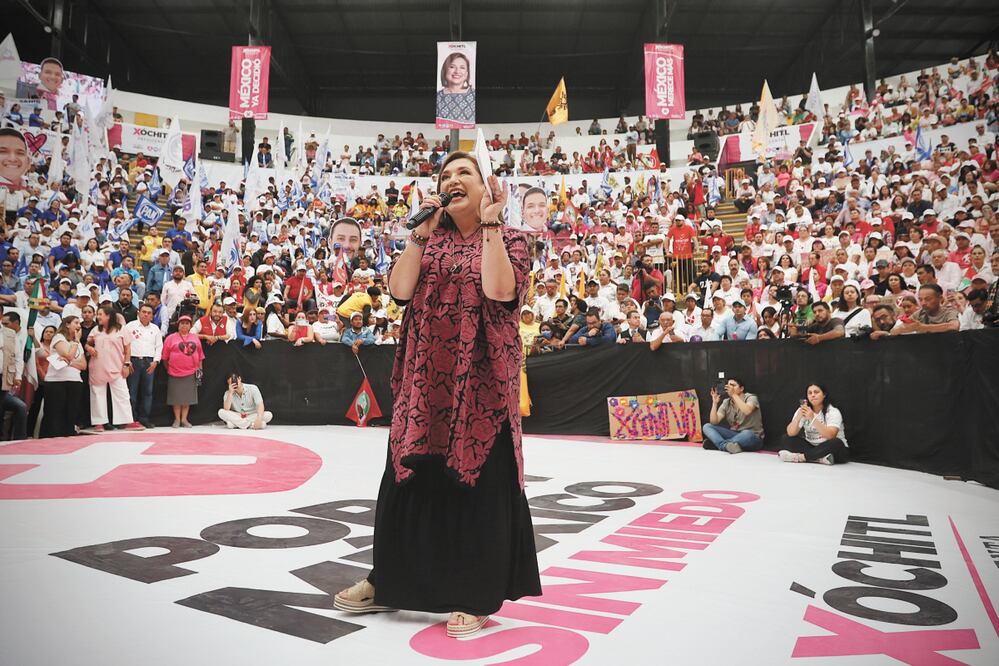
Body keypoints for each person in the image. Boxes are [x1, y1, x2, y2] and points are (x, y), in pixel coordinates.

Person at [334, 151, 541, 638]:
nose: (452, 180)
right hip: (424, 381)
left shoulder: (512, 238)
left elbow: (499, 291)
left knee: (477, 486)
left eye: (464, 173)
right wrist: (419, 233)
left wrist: (490, 225)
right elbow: (399, 290)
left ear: (485, 186)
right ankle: (387, 581)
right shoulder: (429, 237)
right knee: (406, 479)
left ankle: (476, 593)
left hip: (481, 385)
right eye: (445, 175)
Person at [85, 304, 143, 433]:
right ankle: (99, 423)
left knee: (122, 394)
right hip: (98, 367)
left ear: (109, 316)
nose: (98, 317)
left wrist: (126, 364)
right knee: (97, 394)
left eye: (100, 314)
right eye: (97, 314)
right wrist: (89, 348)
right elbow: (87, 344)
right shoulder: (96, 330)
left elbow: (127, 349)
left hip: (117, 367)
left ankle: (127, 421)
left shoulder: (122, 329)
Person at [39, 316, 87, 437]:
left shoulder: (77, 343)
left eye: (79, 324)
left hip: (75, 380)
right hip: (56, 381)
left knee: (71, 414)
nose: (79, 326)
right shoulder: (59, 337)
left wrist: (69, 362)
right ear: (67, 324)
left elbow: (83, 365)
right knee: (55, 414)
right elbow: (69, 355)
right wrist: (76, 343)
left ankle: (68, 437)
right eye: (76, 323)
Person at [779, 383, 849, 465]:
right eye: (810, 393)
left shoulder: (832, 411)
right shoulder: (804, 410)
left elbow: (831, 435)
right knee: (786, 439)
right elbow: (791, 433)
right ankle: (819, 458)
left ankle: (801, 457)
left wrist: (812, 418)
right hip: (812, 446)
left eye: (816, 392)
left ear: (824, 395)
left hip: (831, 448)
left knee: (836, 443)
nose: (813, 395)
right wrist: (798, 417)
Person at [124, 304, 163, 429]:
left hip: (149, 362)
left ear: (152, 316)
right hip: (133, 361)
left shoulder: (155, 329)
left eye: (149, 313)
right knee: (132, 392)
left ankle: (144, 419)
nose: (146, 314)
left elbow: (159, 346)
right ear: (138, 313)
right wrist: (127, 361)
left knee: (147, 392)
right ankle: (131, 419)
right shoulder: (130, 326)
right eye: (144, 312)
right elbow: (124, 344)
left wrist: (156, 362)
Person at [161, 314, 204, 428]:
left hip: (191, 372)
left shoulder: (195, 338)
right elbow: (164, 358)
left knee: (187, 398)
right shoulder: (170, 338)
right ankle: (177, 419)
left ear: (190, 326)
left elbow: (200, 356)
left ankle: (184, 419)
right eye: (182, 323)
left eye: (187, 323)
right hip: (174, 373)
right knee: (176, 398)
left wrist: (199, 372)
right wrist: (170, 368)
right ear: (178, 325)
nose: (184, 325)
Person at [703, 378, 765, 454]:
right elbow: (714, 422)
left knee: (747, 434)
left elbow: (747, 411)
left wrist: (734, 395)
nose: (730, 388)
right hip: (734, 434)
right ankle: (726, 445)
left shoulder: (751, 397)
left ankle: (719, 444)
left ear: (741, 388)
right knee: (707, 426)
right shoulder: (726, 402)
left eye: (733, 385)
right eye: (728, 385)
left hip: (753, 437)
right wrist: (714, 403)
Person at [0, 311, 27, 440]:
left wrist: (18, 376)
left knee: (5, 408)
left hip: (4, 377)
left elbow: (18, 357)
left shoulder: (11, 334)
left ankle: (15, 440)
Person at [893, 284, 960, 334]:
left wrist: (922, 327)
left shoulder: (949, 312)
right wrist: (903, 329)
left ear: (940, 298)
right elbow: (894, 331)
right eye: (920, 299)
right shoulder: (919, 313)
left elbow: (954, 326)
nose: (923, 303)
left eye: (928, 299)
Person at [436, 52, 475, 125]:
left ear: (467, 73)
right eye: (452, 67)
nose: (457, 71)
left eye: (462, 67)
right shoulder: (438, 96)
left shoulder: (474, 95)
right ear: (445, 70)